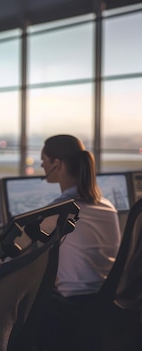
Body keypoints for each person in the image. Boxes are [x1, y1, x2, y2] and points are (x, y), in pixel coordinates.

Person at [37, 134, 122, 350]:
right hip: (107, 306)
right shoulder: (108, 207)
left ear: (56, 164)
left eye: (43, 161)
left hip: (70, 311)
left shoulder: (59, 211)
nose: (41, 165)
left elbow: (26, 255)